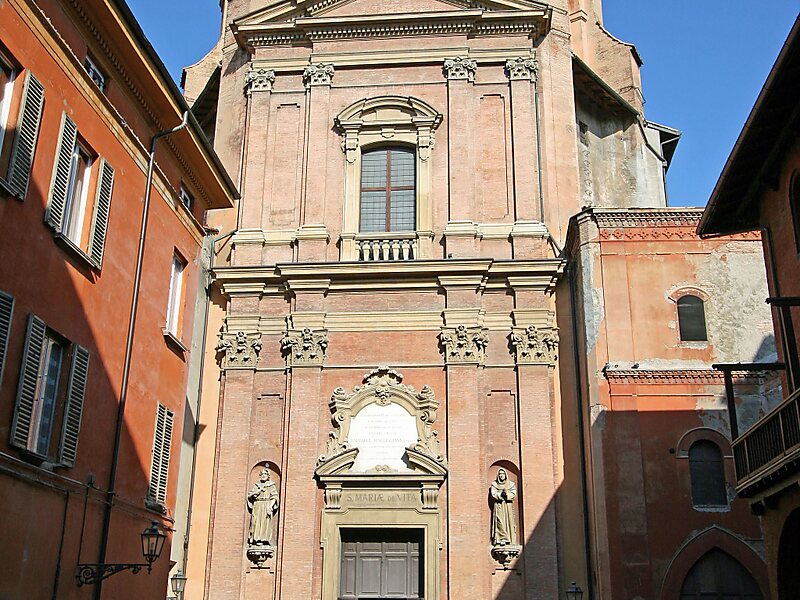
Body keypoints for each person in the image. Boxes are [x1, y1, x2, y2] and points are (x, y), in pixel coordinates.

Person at [247, 467, 279, 547]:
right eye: (262, 474)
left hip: (266, 505)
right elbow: (250, 496)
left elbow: (275, 496)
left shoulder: (271, 485)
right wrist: (254, 494)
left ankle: (264, 540)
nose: (263, 475)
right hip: (257, 505)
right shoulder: (257, 485)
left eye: (265, 474)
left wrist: (270, 506)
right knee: (255, 522)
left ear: (268, 476)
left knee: (265, 522)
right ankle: (255, 539)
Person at [490, 468, 517, 546]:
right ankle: (500, 539)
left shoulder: (511, 484)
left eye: (503, 474)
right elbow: (493, 493)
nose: (501, 475)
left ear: (505, 475)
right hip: (498, 505)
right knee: (499, 521)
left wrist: (507, 495)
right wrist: (500, 495)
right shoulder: (494, 484)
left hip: (508, 506)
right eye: (500, 474)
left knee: (508, 522)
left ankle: (509, 539)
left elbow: (513, 493)